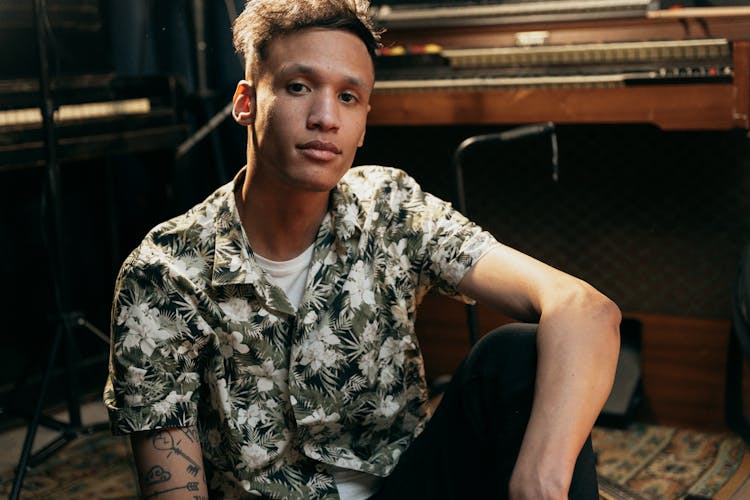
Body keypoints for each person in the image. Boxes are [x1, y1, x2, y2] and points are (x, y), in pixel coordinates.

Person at [103, 0, 621, 498]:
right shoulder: (163, 276)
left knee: (515, 356)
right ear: (246, 102)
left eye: (348, 97)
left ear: (364, 122)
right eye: (299, 86)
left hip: (410, 488)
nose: (326, 117)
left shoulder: (390, 206)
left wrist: (541, 478)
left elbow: (585, 311)